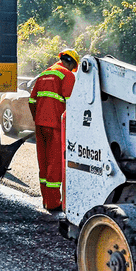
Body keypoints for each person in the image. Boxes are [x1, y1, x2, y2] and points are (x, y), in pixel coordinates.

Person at [29, 49, 80, 212]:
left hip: (40, 124)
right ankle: (53, 203)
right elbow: (71, 104)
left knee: (43, 162)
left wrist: (38, 118)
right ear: (71, 63)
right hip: (56, 125)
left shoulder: (44, 74)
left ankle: (46, 200)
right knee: (55, 163)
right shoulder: (67, 75)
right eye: (73, 67)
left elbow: (31, 100)